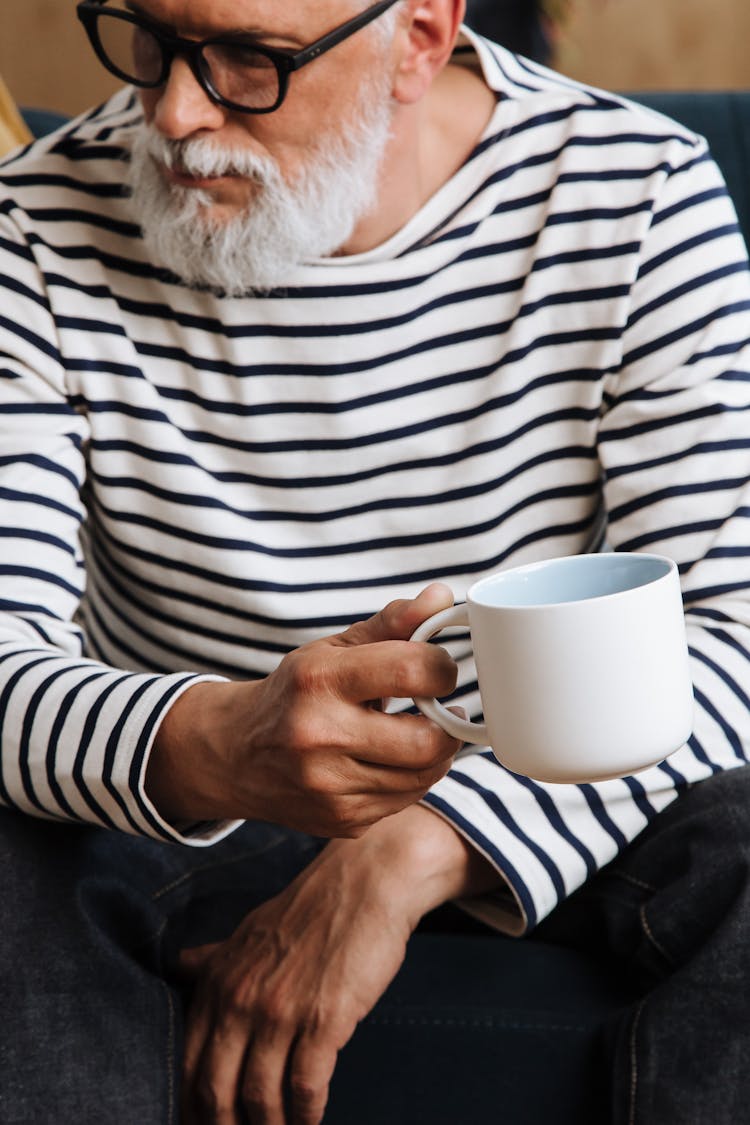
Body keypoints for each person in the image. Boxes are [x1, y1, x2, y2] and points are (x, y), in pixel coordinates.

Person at [0, 1, 749, 1123]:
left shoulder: (638, 192)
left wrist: (414, 849)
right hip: (176, 806)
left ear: (420, 38)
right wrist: (217, 741)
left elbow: (735, 638)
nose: (174, 109)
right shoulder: (32, 221)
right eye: (148, 34)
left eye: (251, 59)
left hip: (554, 795)